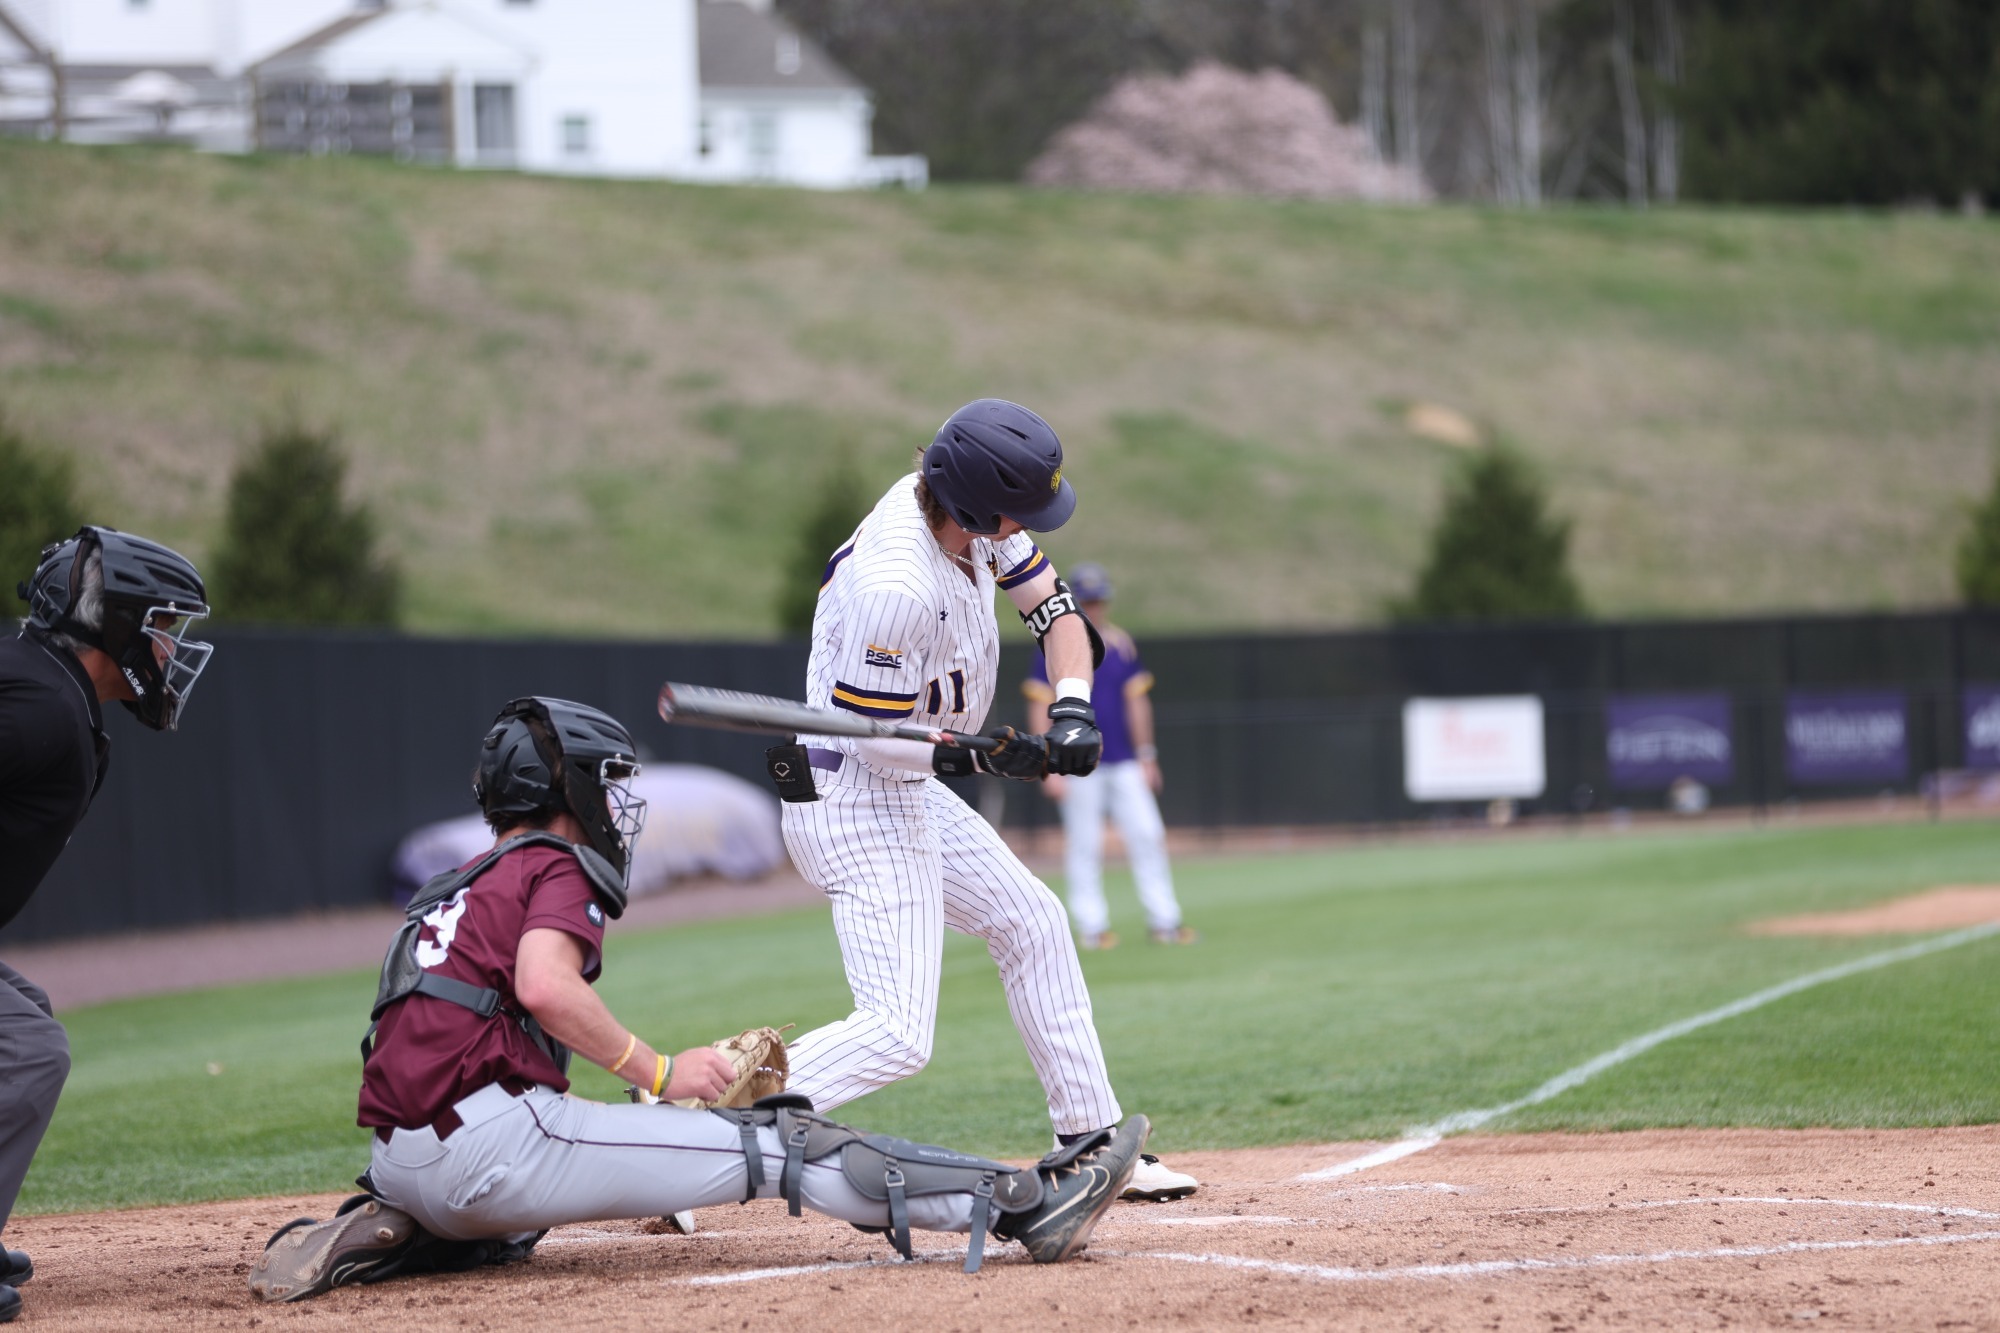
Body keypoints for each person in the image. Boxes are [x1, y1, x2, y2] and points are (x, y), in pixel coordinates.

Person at [250, 697, 1149, 1303]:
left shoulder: (451, 886)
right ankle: (1025, 1202)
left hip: (401, 1160)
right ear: (561, 792)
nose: (613, 802)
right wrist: (664, 1069)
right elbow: (544, 985)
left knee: (536, 1161)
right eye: (602, 783)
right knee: (784, 1139)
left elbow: (405, 1032)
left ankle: (422, 1231)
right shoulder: (551, 863)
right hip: (490, 1151)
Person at [773, 399, 1198, 1203]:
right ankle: (685, 1114)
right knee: (898, 1032)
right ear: (971, 500)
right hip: (853, 793)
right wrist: (993, 754)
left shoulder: (977, 523)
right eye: (1019, 510)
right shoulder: (896, 582)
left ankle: (1089, 1142)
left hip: (907, 777)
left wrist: (1070, 704)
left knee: (1033, 922)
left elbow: (1058, 614)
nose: (1027, 525)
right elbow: (879, 738)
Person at [0, 527, 214, 1326]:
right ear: (113, 626)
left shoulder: (51, 694)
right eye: (161, 627)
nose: (168, 649)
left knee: (25, 1014)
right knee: (28, 1050)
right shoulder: (46, 708)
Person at [1024, 562, 1193, 951]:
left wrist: (1148, 755)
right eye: (1087, 600)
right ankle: (1092, 926)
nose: (1094, 608)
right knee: (1085, 844)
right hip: (1076, 765)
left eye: (1099, 600)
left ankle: (1165, 921)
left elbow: (1137, 703)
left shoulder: (1120, 644)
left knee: (1148, 835)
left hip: (1124, 760)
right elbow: (1039, 703)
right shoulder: (1056, 643)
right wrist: (1048, 763)